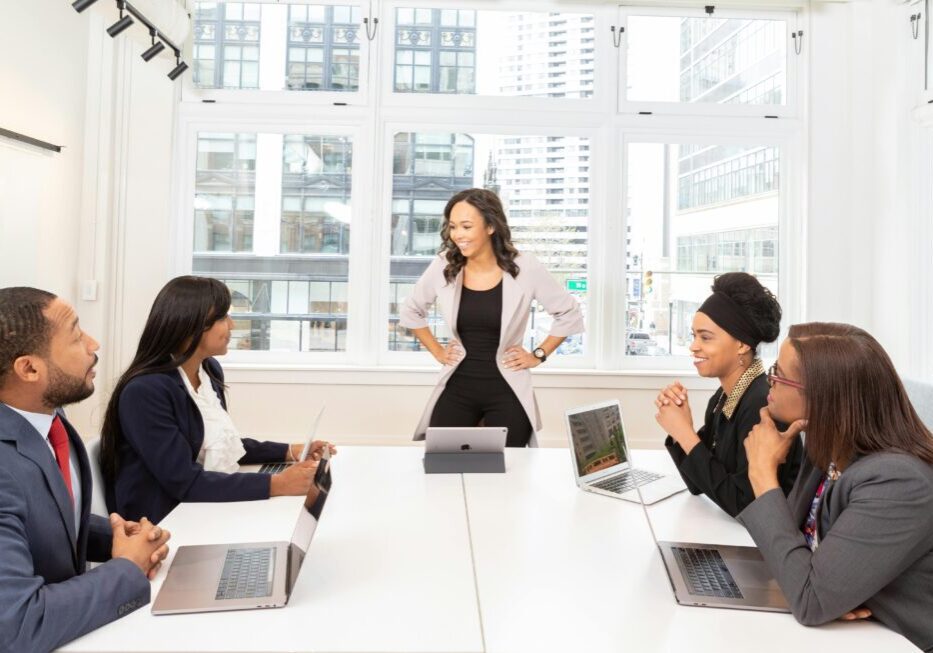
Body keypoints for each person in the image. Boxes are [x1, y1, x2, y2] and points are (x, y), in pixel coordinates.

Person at [740, 323, 933, 650]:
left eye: (779, 373)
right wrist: (826, 591)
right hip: (854, 637)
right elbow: (793, 552)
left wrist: (762, 474)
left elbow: (810, 599)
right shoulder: (826, 447)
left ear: (823, 397)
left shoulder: (900, 482)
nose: (768, 380)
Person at [0, 287, 170, 652]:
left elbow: (41, 515)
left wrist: (117, 539)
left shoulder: (48, 416)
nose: (93, 344)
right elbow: (18, 626)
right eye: (76, 336)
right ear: (29, 368)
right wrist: (126, 568)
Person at [100, 276, 334, 525]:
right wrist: (276, 483)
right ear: (190, 326)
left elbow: (221, 445)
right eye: (223, 317)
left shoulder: (208, 370)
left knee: (307, 496)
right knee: (298, 502)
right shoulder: (145, 392)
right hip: (165, 520)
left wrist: (288, 451)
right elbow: (183, 481)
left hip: (198, 503)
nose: (232, 325)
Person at [400, 188, 584, 447]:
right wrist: (438, 352)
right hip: (458, 386)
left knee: (509, 472)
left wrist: (538, 355)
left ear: (490, 226)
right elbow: (411, 310)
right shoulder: (444, 265)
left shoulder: (524, 267)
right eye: (453, 227)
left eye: (466, 226)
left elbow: (569, 313)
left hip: (507, 389)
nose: (458, 235)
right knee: (443, 465)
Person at [654, 272, 802, 517]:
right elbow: (698, 483)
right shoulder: (723, 398)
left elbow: (745, 506)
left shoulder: (762, 405)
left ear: (742, 344)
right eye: (694, 336)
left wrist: (684, 433)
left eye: (706, 337)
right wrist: (681, 430)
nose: (693, 346)